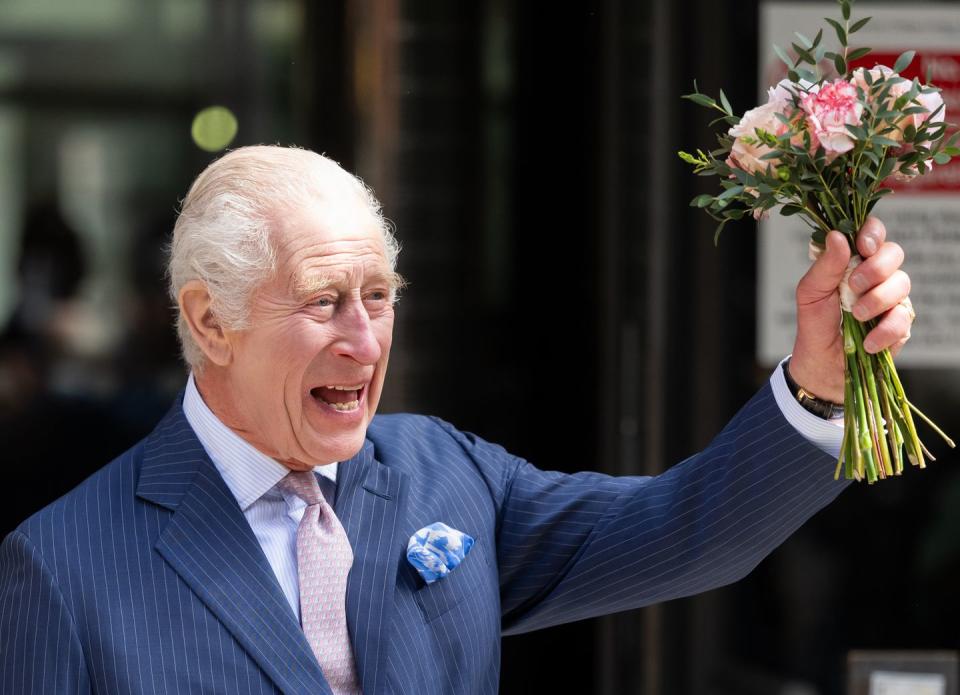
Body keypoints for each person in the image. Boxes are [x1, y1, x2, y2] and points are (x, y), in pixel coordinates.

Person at [0, 146, 915, 694]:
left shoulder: (443, 474)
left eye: (378, 296)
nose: (365, 342)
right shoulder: (63, 566)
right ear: (209, 321)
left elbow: (689, 530)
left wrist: (818, 385)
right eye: (324, 302)